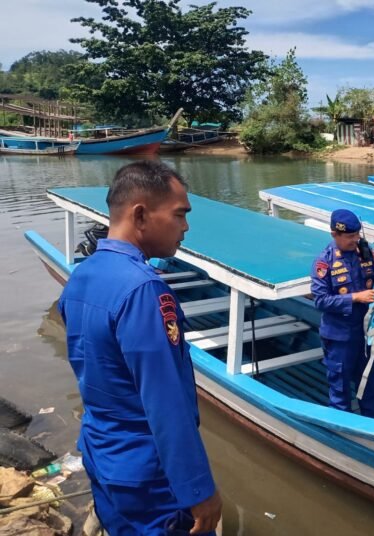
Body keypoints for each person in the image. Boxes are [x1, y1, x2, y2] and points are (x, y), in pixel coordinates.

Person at [58, 161, 222, 534]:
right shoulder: (144, 290)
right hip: (152, 479)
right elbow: (166, 403)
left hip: (104, 456)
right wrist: (198, 489)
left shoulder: (82, 276)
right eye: (179, 214)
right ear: (141, 214)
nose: (186, 227)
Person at [311, 209, 374, 418]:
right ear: (335, 234)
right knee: (340, 389)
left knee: (369, 385)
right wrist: (354, 298)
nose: (355, 240)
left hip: (368, 335)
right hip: (340, 337)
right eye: (350, 236)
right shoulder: (325, 262)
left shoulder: (367, 253)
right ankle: (344, 431)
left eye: (357, 235)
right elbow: (320, 300)